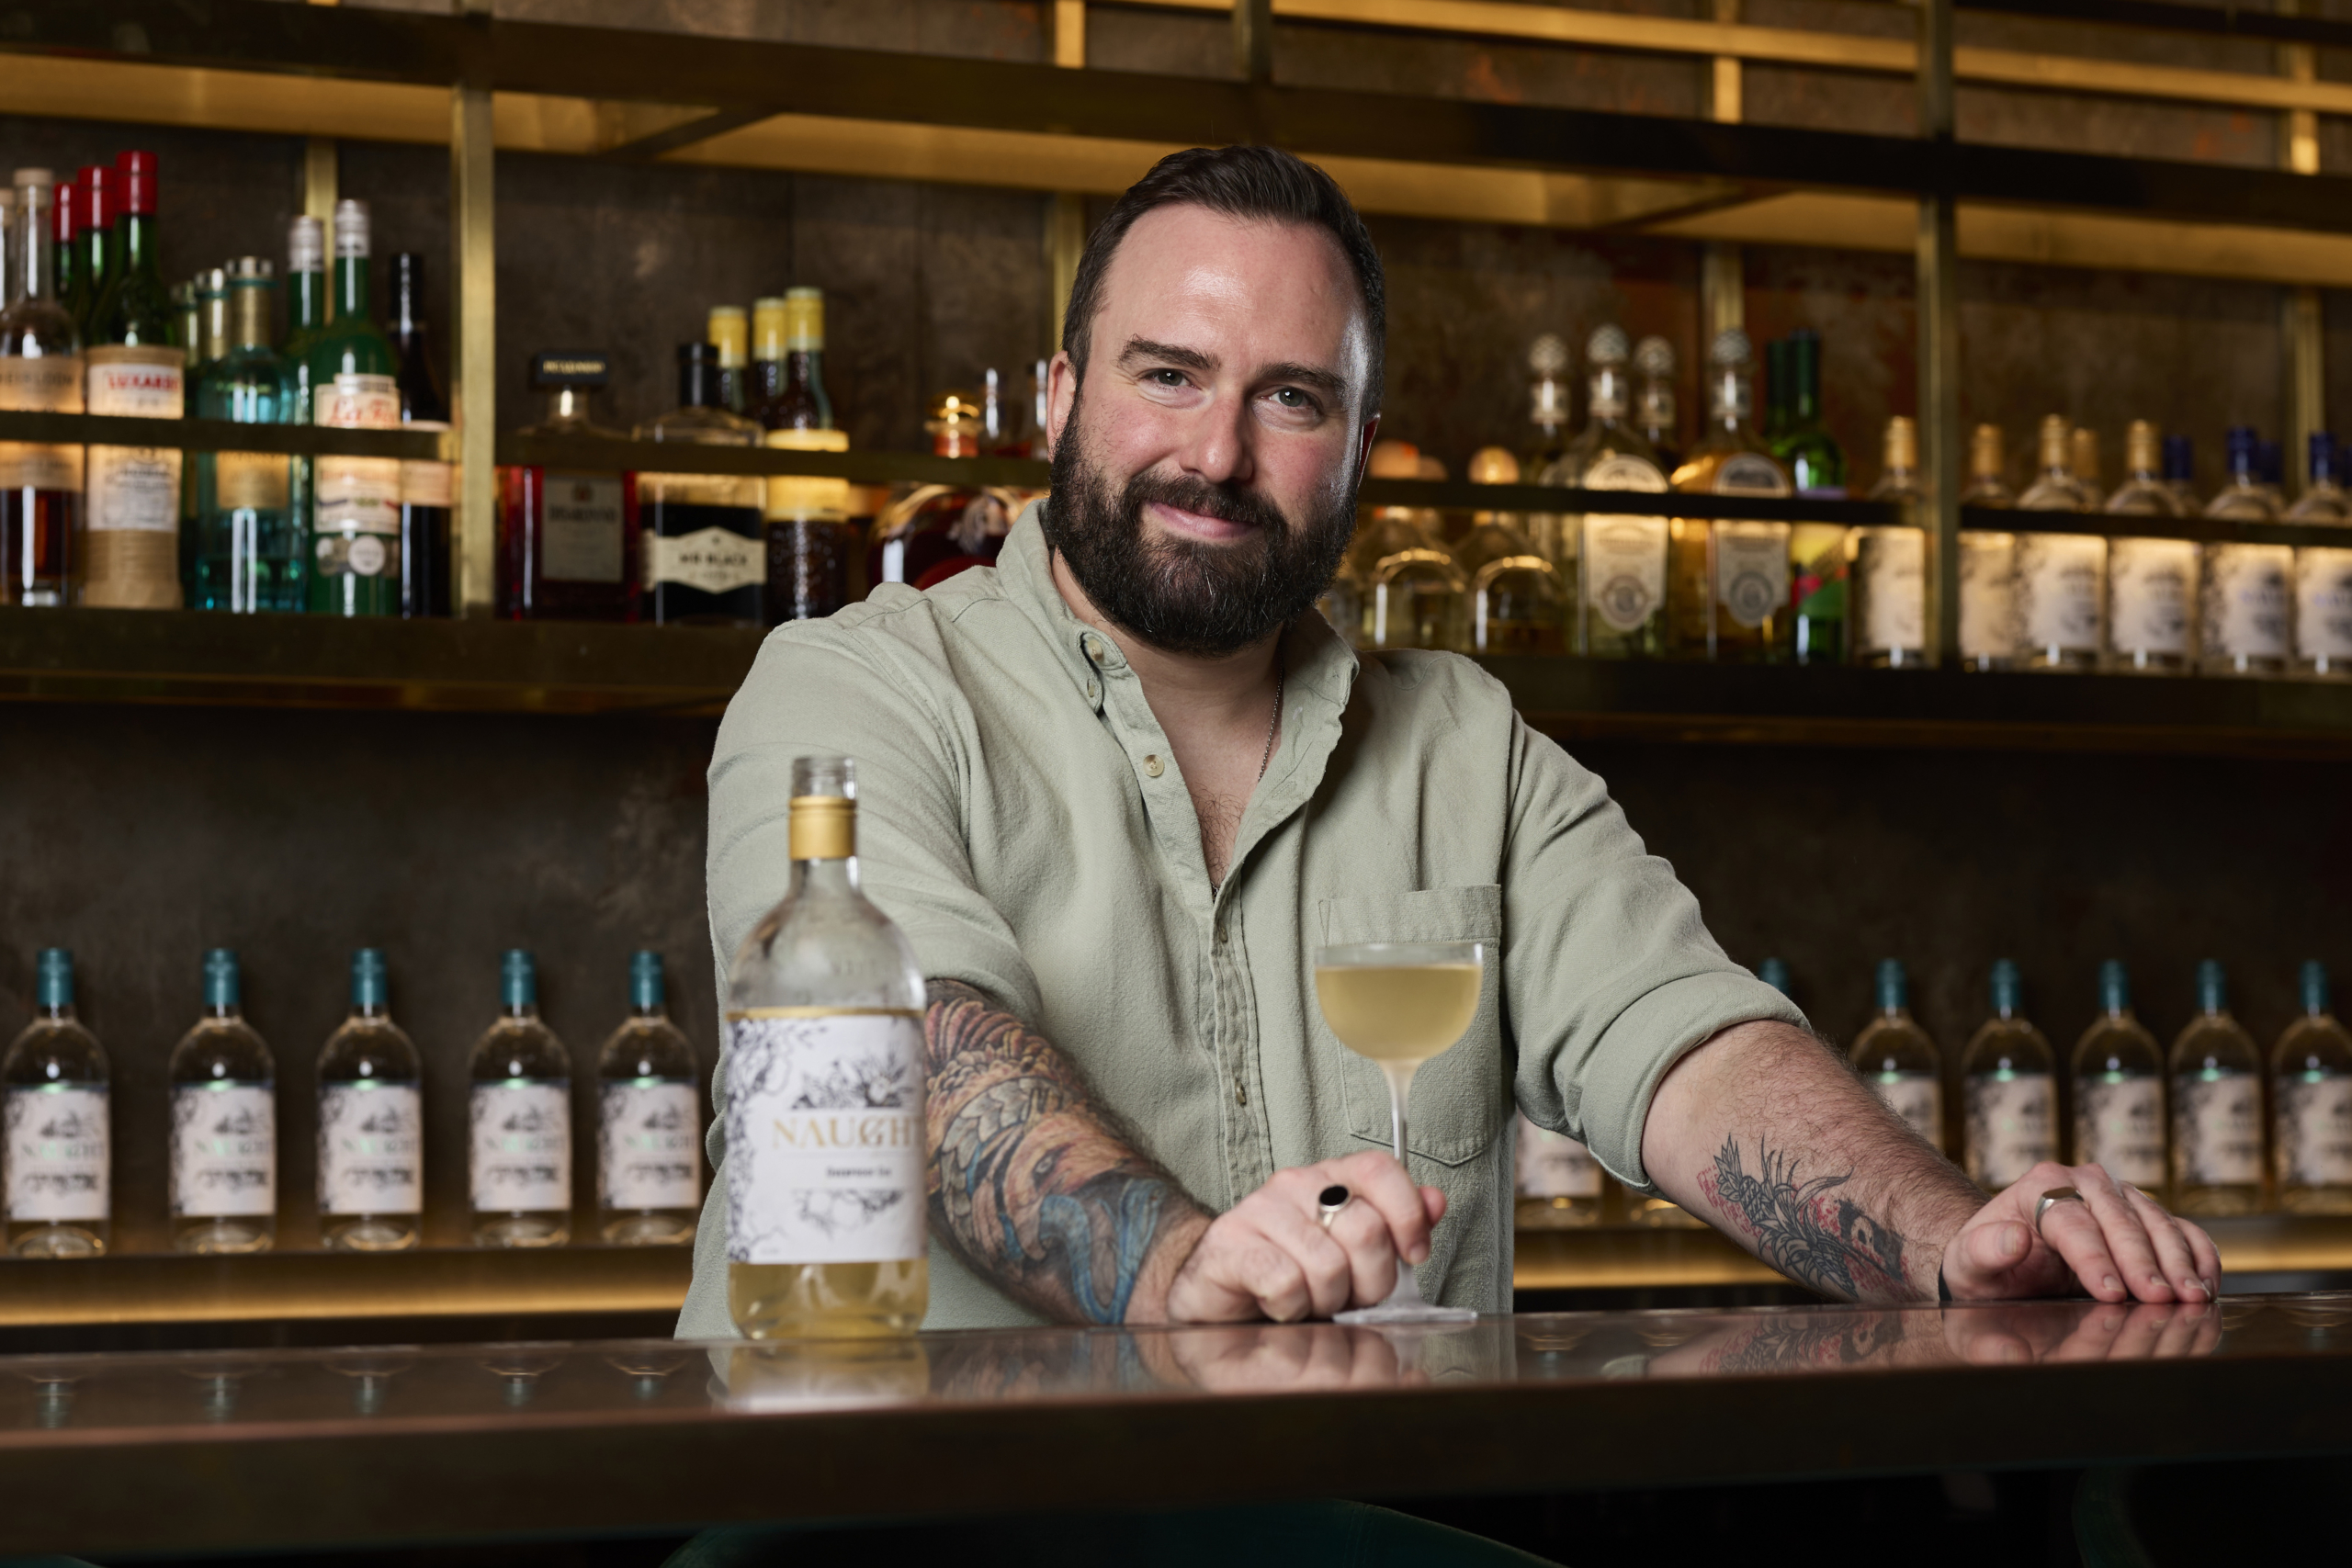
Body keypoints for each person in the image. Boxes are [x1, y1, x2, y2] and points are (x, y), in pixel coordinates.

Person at [678, 144, 2219, 1342]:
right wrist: (1174, 1267)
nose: (1216, 455)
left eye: (1290, 399)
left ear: (1358, 446)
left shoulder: (1465, 747)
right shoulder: (848, 696)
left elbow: (1692, 1047)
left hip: (1341, 1525)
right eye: (1169, 376)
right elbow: (911, 1053)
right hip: (925, 1522)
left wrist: (1947, 1239)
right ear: (1066, 395)